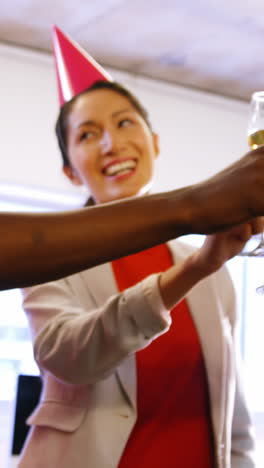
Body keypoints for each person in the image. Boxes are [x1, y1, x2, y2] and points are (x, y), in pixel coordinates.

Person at [18, 27, 257, 468]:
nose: (112, 144)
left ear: (155, 142)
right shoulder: (55, 255)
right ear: (71, 171)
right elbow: (67, 358)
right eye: (88, 135)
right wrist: (194, 271)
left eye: (125, 122)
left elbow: (234, 422)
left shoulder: (212, 266)